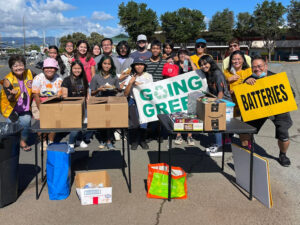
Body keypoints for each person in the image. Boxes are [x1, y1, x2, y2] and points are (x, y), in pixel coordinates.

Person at [241, 56, 293, 167]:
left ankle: (283, 155)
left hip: (277, 110)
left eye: (259, 66)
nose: (257, 69)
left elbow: (291, 94)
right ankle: (246, 151)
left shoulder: (276, 78)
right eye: (254, 67)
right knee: (244, 130)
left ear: (265, 66)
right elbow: (242, 95)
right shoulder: (249, 80)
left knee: (283, 134)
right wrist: (245, 82)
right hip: (258, 111)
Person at [199, 55, 232, 152]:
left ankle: (219, 146)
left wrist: (215, 106)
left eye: (205, 64)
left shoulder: (217, 73)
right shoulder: (208, 74)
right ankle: (224, 143)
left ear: (210, 62)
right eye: (201, 65)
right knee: (219, 125)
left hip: (224, 101)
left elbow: (220, 92)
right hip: (217, 100)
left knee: (215, 123)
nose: (203, 66)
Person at [0, 55, 33, 151]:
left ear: (25, 65)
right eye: (15, 66)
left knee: (26, 122)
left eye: (21, 65)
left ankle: (22, 140)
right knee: (13, 126)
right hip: (11, 108)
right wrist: (12, 94)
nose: (18, 68)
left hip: (24, 107)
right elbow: (9, 99)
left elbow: (39, 77)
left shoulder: (29, 73)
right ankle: (15, 144)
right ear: (11, 68)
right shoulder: (8, 80)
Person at [90, 55, 121, 150]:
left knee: (110, 123)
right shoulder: (96, 77)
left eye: (109, 64)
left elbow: (117, 90)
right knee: (101, 123)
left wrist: (116, 88)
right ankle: (102, 140)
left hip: (111, 102)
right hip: (100, 102)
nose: (107, 66)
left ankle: (109, 141)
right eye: (105, 63)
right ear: (101, 64)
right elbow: (92, 92)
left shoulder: (114, 76)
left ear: (111, 65)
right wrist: (98, 89)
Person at [32, 58, 63, 149]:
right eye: (47, 67)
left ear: (56, 69)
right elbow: (36, 95)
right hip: (39, 101)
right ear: (43, 69)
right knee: (41, 124)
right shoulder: (38, 78)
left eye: (52, 68)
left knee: (53, 124)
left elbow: (59, 96)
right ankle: (43, 141)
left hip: (53, 102)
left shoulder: (59, 80)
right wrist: (41, 108)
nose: (49, 69)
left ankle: (51, 141)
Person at [61, 60, 92, 149]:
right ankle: (71, 142)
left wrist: (88, 102)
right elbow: (64, 96)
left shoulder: (84, 79)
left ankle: (79, 140)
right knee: (75, 127)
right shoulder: (66, 80)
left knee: (86, 126)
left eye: (79, 68)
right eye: (75, 68)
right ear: (71, 69)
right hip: (72, 108)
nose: (77, 70)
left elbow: (87, 94)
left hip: (84, 107)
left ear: (82, 69)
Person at [124, 58, 153, 150]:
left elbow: (150, 90)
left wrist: (138, 84)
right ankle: (135, 141)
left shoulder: (149, 76)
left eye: (141, 64)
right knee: (135, 122)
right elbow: (126, 93)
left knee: (144, 122)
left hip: (145, 102)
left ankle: (142, 140)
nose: (139, 66)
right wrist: (130, 83)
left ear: (144, 66)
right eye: (137, 64)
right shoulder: (130, 76)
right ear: (133, 66)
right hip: (133, 101)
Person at [171, 48, 197, 146]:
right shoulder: (175, 64)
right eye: (180, 54)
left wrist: (190, 60)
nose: (182, 55)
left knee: (190, 113)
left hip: (190, 93)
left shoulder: (188, 64)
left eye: (184, 53)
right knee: (179, 114)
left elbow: (196, 73)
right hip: (178, 93)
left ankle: (189, 136)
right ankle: (178, 135)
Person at [223, 50, 252, 116]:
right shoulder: (226, 72)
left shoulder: (249, 71)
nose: (236, 61)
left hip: (245, 105)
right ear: (231, 61)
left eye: (239, 59)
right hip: (231, 105)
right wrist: (227, 81)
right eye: (234, 59)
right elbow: (221, 87)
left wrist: (247, 81)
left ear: (243, 60)